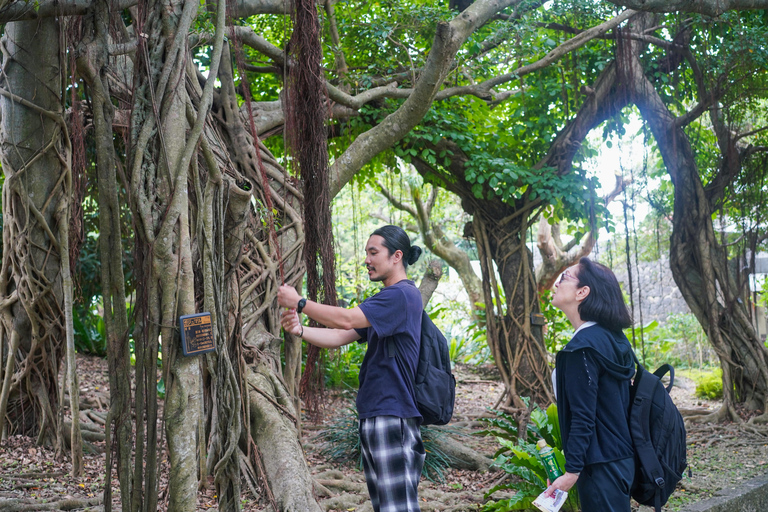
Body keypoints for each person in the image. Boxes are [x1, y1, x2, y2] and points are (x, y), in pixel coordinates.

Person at [277, 225, 425, 512]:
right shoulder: (386, 301)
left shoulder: (401, 296)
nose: (367, 260)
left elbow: (346, 320)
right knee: (386, 506)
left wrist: (301, 302)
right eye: (366, 253)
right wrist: (300, 331)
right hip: (376, 414)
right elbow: (339, 337)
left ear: (397, 256)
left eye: (373, 252)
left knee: (398, 508)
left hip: (392, 414)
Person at [544, 257, 636, 512]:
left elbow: (584, 417)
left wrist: (572, 471)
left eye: (564, 277)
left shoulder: (581, 348)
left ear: (582, 292)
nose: (557, 283)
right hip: (622, 460)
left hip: (598, 468)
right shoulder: (615, 339)